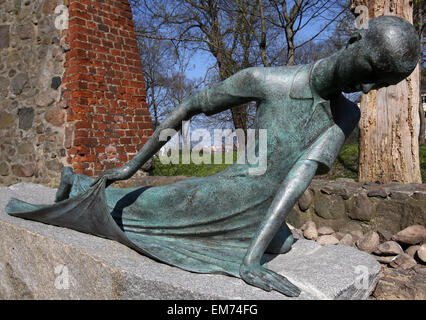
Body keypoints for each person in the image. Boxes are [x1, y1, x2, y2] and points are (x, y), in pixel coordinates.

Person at [6, 16, 420, 297]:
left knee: (174, 212)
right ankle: (77, 186)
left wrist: (251, 256)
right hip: (227, 194)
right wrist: (133, 164)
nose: (367, 88)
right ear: (351, 41)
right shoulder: (267, 80)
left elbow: (297, 179)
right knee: (145, 211)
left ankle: (77, 187)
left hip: (262, 217)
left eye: (379, 83)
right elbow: (189, 106)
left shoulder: (346, 114)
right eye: (371, 69)